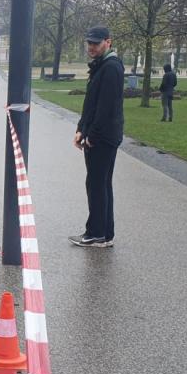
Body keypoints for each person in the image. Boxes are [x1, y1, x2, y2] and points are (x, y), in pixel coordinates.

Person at [68, 25, 124, 248]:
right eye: (89, 43)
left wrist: (92, 134)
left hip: (103, 136)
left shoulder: (111, 67)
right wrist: (81, 128)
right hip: (100, 134)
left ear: (108, 42)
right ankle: (104, 233)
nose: (91, 47)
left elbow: (105, 106)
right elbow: (91, 103)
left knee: (96, 184)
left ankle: (96, 233)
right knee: (101, 183)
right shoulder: (103, 65)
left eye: (96, 43)